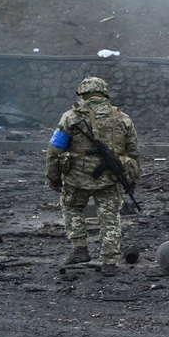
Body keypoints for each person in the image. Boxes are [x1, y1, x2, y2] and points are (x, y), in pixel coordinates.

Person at [45, 76, 140, 276]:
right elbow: (134, 153)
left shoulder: (70, 118)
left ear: (83, 93)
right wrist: (132, 180)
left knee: (71, 207)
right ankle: (109, 261)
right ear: (104, 93)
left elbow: (54, 150)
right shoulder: (122, 118)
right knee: (110, 218)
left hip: (76, 178)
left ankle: (80, 248)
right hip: (109, 178)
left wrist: (54, 178)